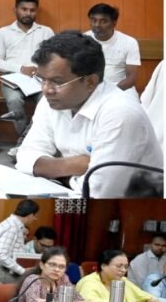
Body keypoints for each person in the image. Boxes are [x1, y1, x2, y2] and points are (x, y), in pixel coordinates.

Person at [16, 31, 163, 197]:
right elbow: (25, 157)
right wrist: (72, 165)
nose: (46, 90)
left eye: (57, 82)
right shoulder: (53, 101)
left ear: (90, 82)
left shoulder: (120, 113)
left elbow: (98, 191)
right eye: (42, 79)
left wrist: (60, 176)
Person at [0, 0, 54, 154]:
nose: (28, 13)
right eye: (24, 9)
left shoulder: (46, 31)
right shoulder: (3, 32)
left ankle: (23, 144)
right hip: (12, 79)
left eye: (32, 10)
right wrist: (21, 68)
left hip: (38, 79)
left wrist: (41, 69)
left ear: (36, 11)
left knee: (47, 100)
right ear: (15, 10)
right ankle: (28, 143)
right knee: (14, 101)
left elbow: (53, 58)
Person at [75, 250, 166, 302]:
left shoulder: (123, 281)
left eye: (126, 267)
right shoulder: (89, 282)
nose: (123, 270)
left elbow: (144, 296)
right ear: (103, 266)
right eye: (119, 266)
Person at [14, 246, 92, 302]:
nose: (57, 269)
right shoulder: (33, 279)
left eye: (61, 267)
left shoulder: (63, 279)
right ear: (42, 265)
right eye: (52, 264)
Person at [85, 3, 140, 95]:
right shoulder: (83, 40)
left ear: (113, 24)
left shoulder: (129, 42)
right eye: (93, 20)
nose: (97, 25)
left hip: (120, 88)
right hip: (90, 89)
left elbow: (131, 78)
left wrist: (109, 93)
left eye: (103, 21)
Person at [0, 200, 41, 285]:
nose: (34, 219)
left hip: (2, 271)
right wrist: (22, 271)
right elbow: (1, 256)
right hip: (2, 272)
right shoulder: (12, 227)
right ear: (31, 215)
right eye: (35, 216)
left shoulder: (11, 224)